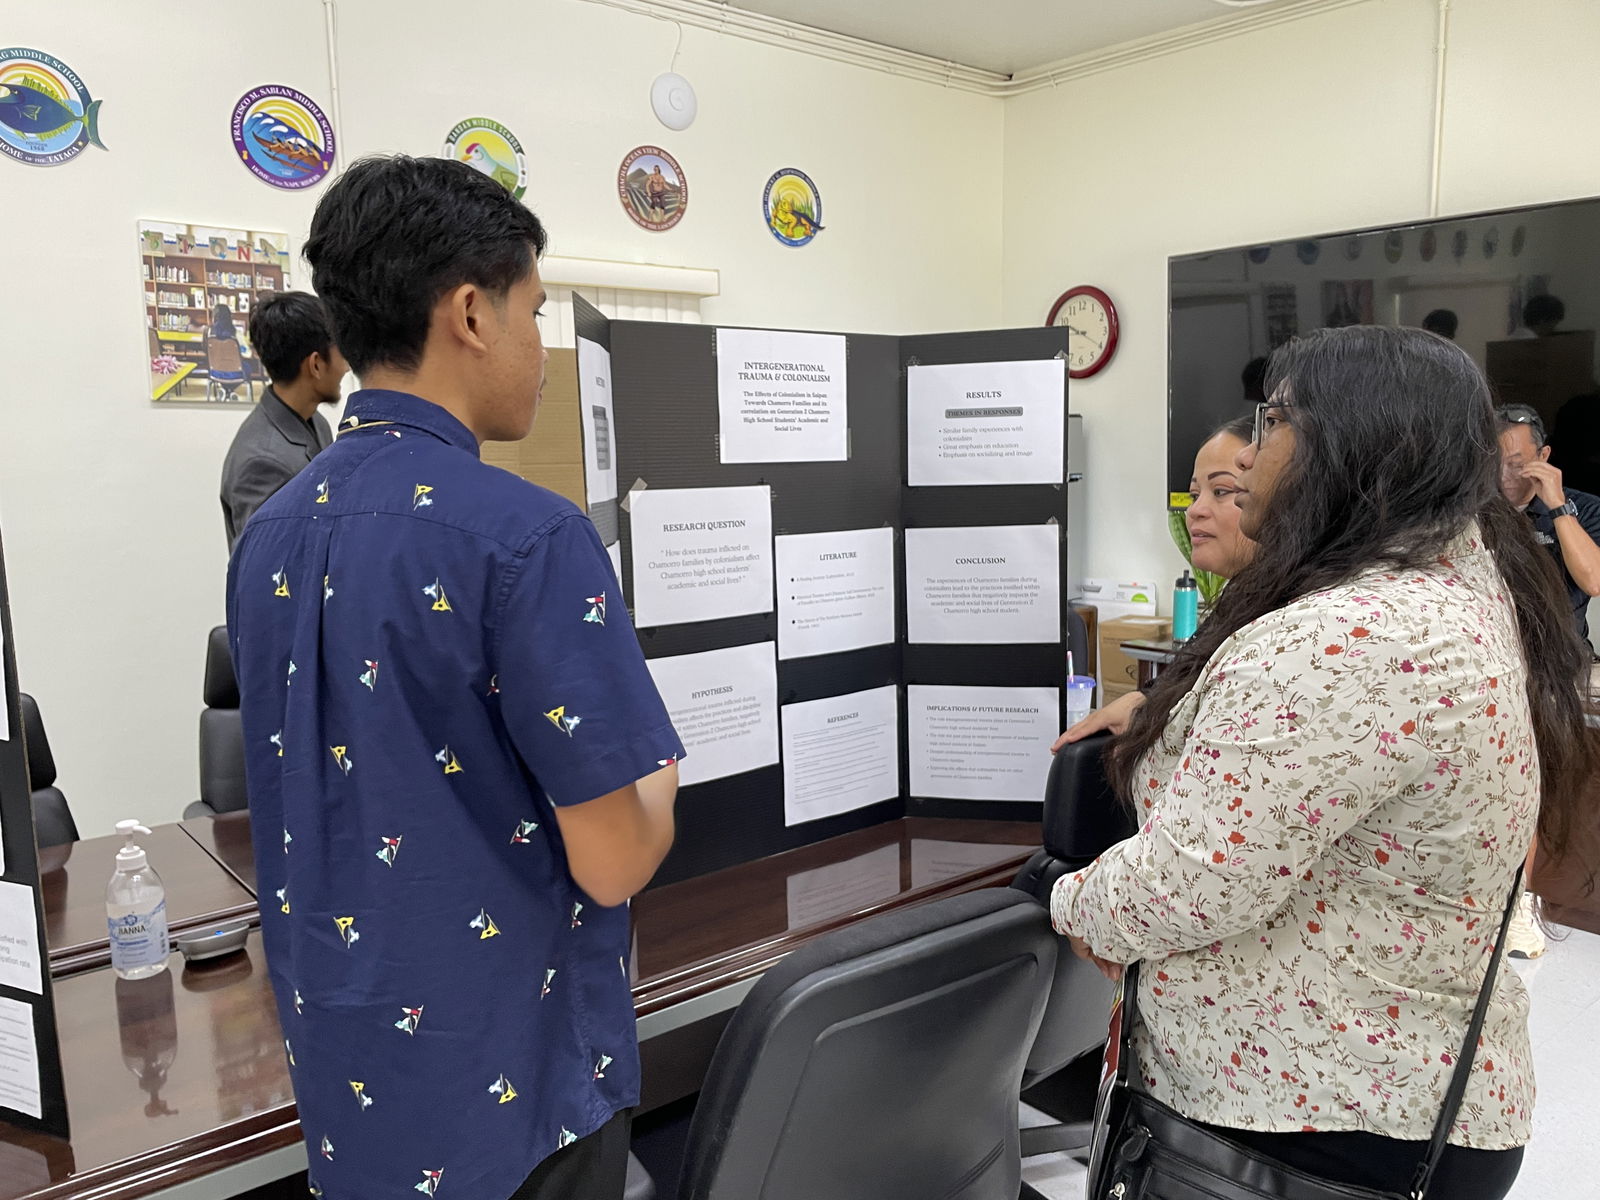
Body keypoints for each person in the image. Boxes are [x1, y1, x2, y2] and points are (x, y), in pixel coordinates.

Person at [227, 155, 684, 1200]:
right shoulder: (528, 538)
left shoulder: (269, 536)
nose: (539, 348)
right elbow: (613, 861)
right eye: (534, 313)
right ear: (471, 313)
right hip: (517, 1093)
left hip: (352, 1082)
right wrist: (656, 774)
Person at [1052, 326, 1597, 1200]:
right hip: (1414, 1094)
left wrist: (1070, 900)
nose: (1250, 451)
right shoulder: (1460, 584)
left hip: (1308, 1119)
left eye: (1269, 423)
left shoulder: (1347, 635)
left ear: (1344, 440)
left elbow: (1189, 883)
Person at [1053, 415, 1258, 750]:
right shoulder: (1237, 605)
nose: (1195, 511)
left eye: (1221, 491)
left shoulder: (1281, 631)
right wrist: (1142, 703)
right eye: (1194, 494)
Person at [219, 292, 348, 549]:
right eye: (340, 355)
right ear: (316, 365)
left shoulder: (315, 422)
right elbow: (265, 569)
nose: (346, 367)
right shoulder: (261, 462)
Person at [1496, 403, 1600, 645]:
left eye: (1516, 465)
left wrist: (1558, 507)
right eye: (1494, 464)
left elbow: (1594, 581)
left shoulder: (1585, 508)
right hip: (1498, 649)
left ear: (1543, 456)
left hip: (1563, 652)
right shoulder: (1478, 510)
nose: (1503, 476)